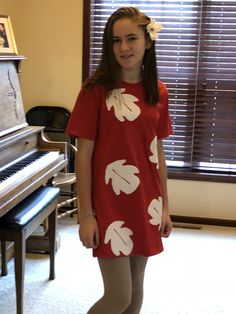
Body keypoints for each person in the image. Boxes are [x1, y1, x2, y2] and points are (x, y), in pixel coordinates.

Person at [66, 6, 173, 314]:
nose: (124, 48)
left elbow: (158, 154)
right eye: (115, 40)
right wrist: (86, 215)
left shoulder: (158, 92)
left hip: (146, 201)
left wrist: (164, 206)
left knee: (136, 289)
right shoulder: (95, 90)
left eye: (131, 38)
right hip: (109, 204)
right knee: (118, 296)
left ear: (148, 42)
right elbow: (83, 155)